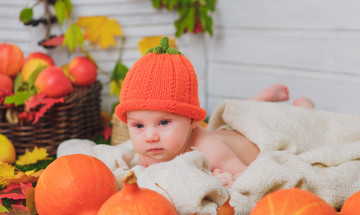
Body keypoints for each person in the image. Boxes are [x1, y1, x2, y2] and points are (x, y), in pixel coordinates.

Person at [115, 37, 315, 187]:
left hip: (250, 138)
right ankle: (261, 98)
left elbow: (247, 173)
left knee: (292, 127)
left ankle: (303, 108)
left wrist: (232, 178)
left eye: (164, 122)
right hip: (224, 132)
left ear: (192, 119)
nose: (150, 137)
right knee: (225, 124)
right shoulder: (149, 153)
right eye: (139, 125)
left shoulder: (209, 150)